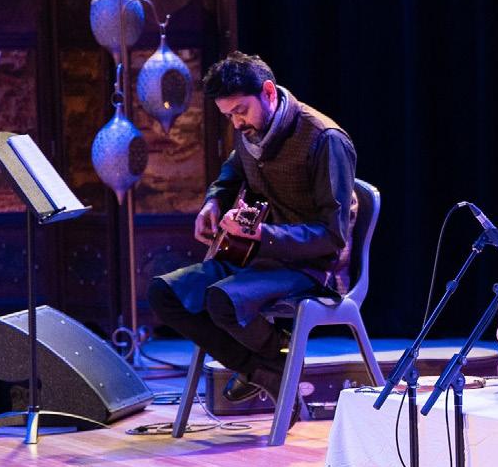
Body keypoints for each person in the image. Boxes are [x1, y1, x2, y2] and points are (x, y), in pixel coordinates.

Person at [148, 51, 358, 404]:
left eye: (241, 111)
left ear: (269, 92)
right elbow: (234, 169)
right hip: (256, 256)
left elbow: (332, 235)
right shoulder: (251, 132)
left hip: (311, 267)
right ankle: (267, 368)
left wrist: (264, 235)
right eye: (228, 115)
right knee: (165, 293)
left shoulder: (325, 139)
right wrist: (214, 200)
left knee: (221, 300)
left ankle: (272, 358)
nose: (236, 123)